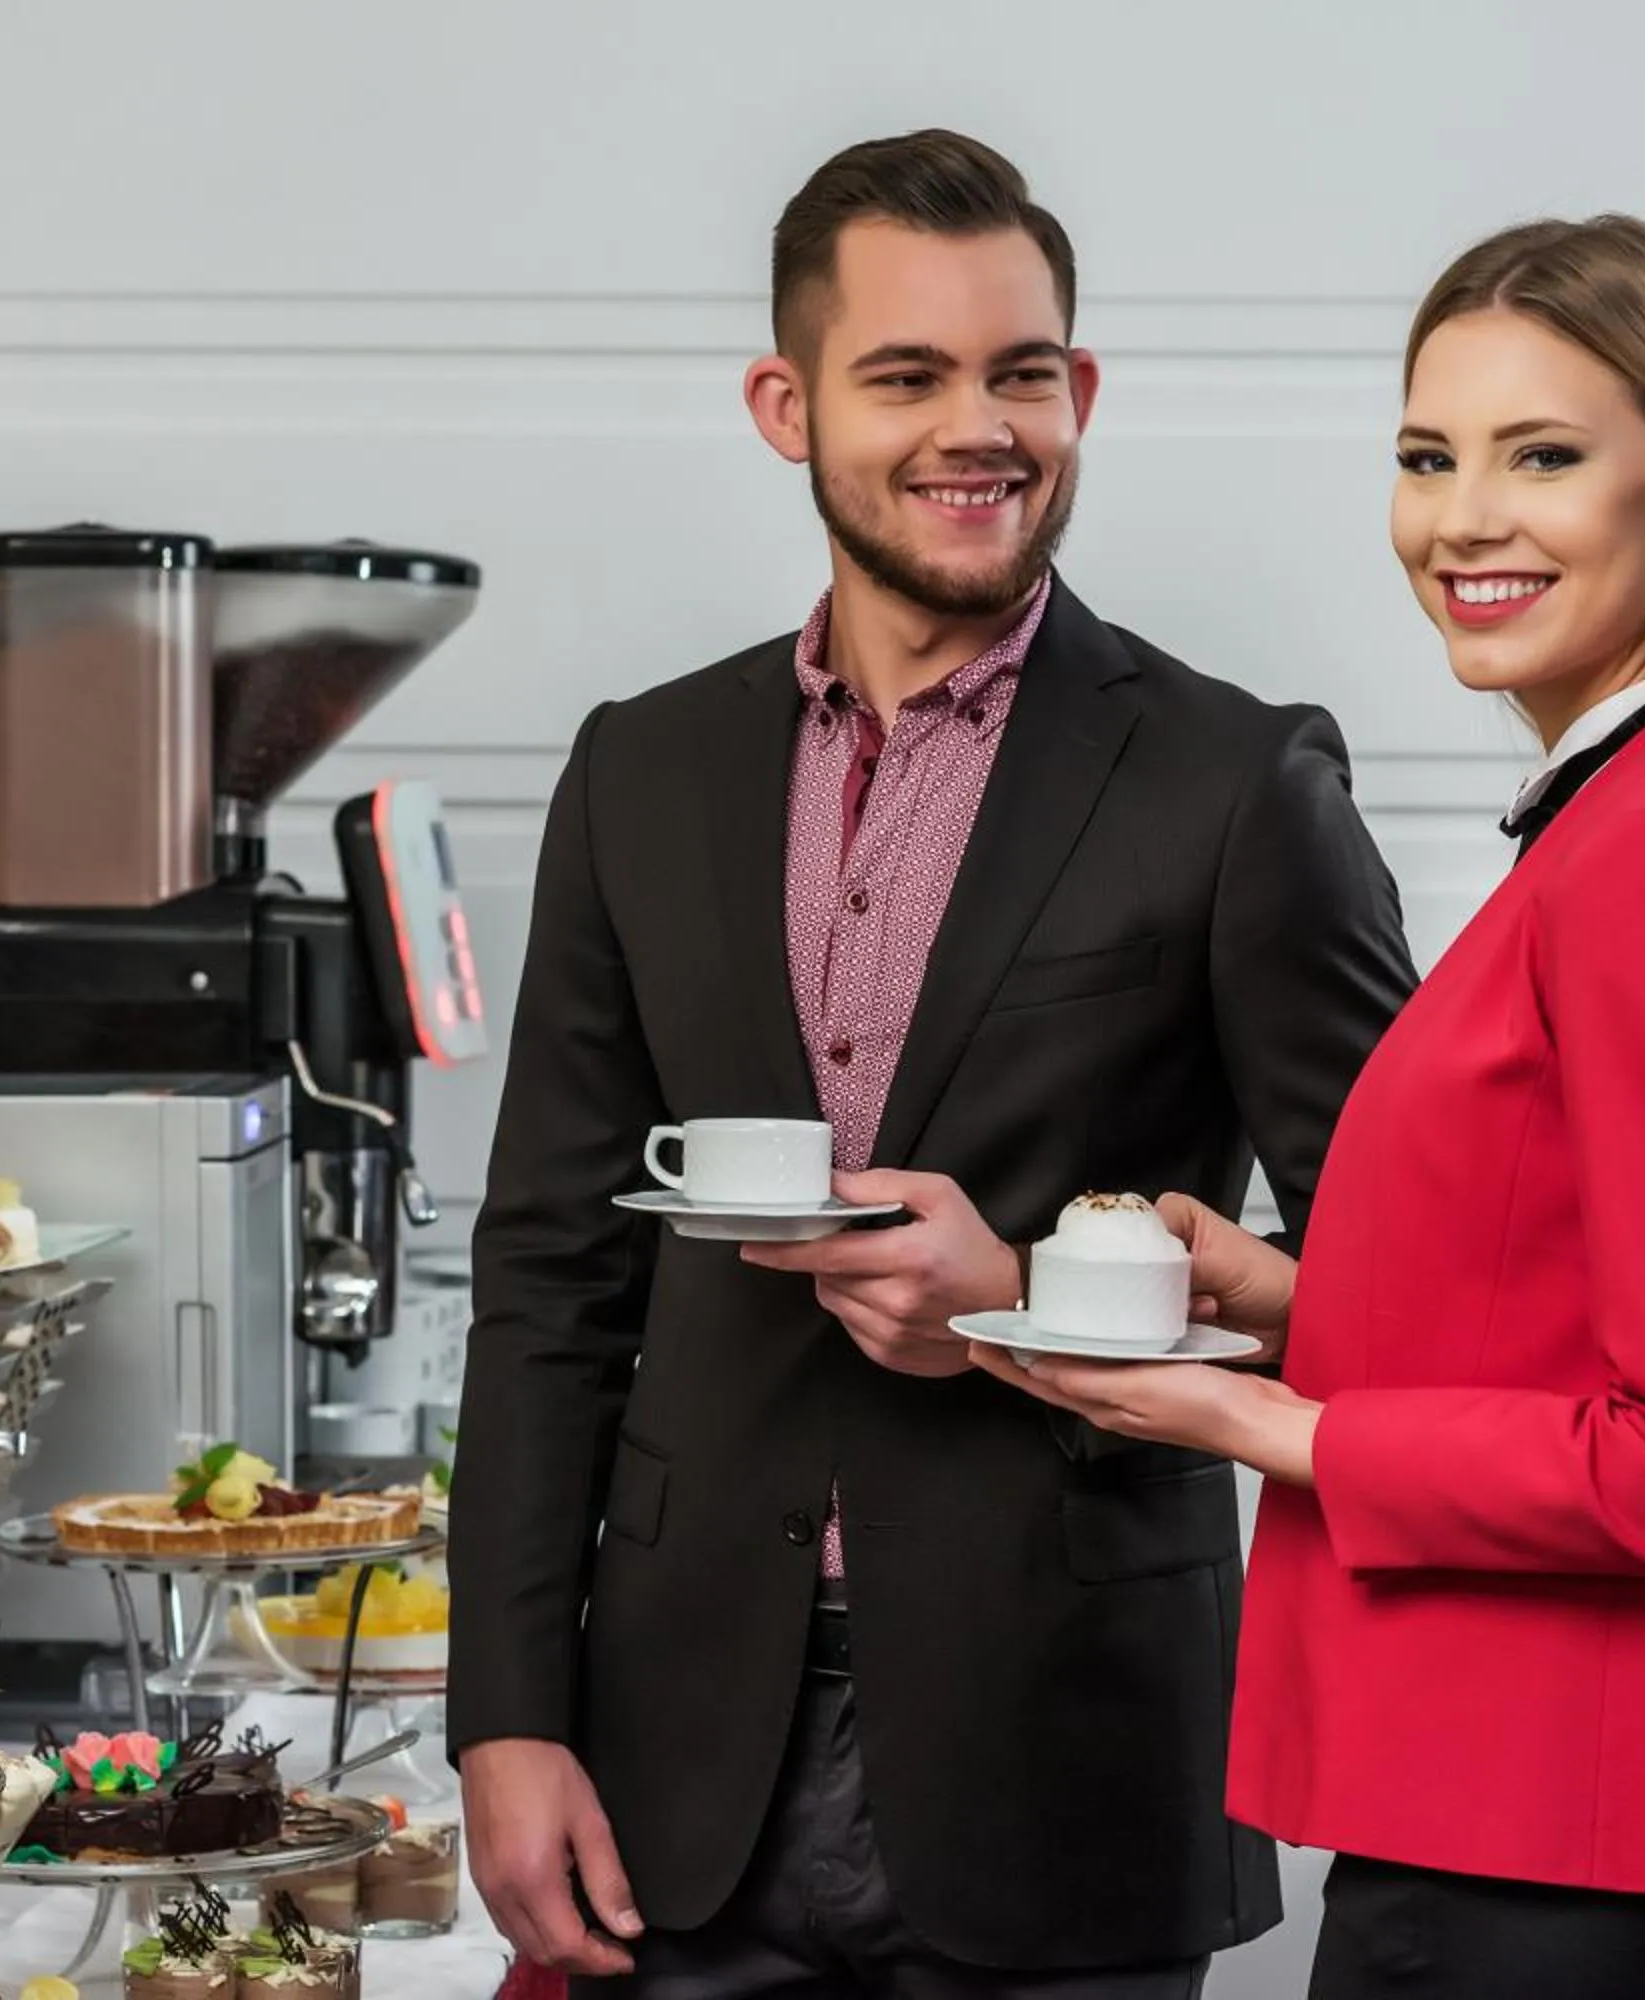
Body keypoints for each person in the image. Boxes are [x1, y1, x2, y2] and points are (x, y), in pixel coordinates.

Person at [448, 129, 1416, 2000]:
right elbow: (550, 1278)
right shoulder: (637, 774)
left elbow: (1418, 1293)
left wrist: (1029, 1302)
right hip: (672, 1760)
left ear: (1083, 392)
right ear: (785, 403)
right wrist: (509, 1716)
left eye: (1022, 373)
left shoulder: (1241, 784)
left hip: (1076, 1760)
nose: (978, 427)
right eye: (907, 375)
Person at [977, 213, 1645, 2000]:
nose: (1462, 520)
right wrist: (1282, 1304)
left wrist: (1268, 1431)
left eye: (1543, 455)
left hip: (1540, 1847)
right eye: (1429, 458)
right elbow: (1564, 1293)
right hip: (1618, 1830)